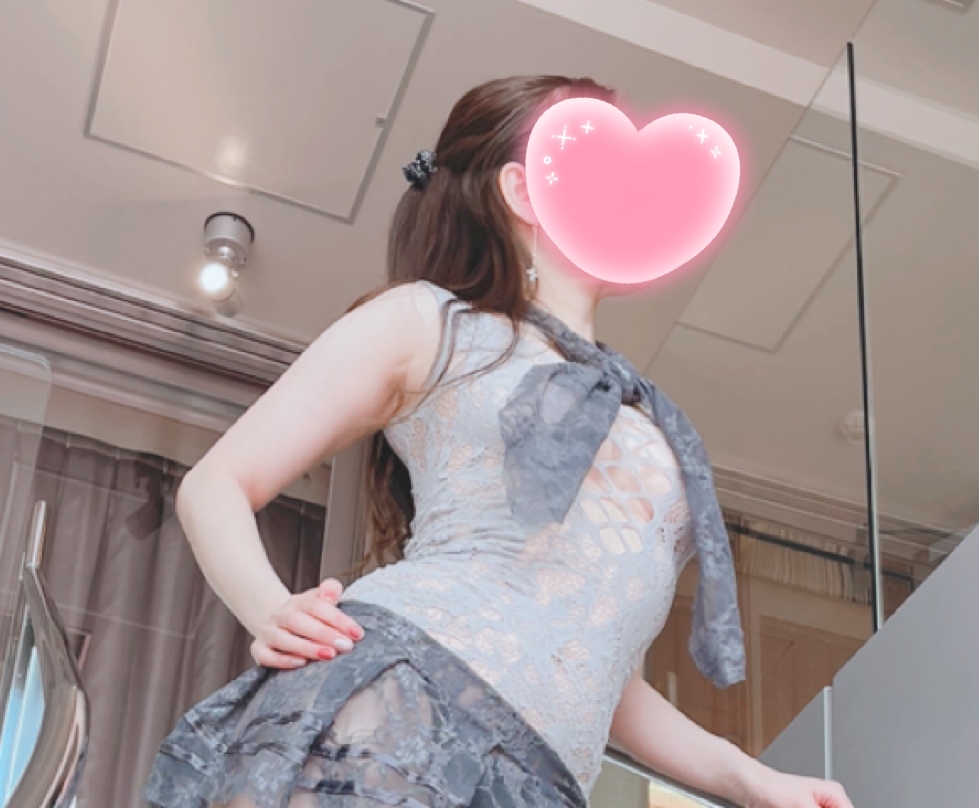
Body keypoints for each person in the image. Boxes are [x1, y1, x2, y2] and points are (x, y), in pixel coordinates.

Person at [144, 75, 854, 808]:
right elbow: (216, 483)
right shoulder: (430, 322)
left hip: (542, 777)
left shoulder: (642, 410)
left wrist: (752, 779)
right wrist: (271, 609)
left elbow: (600, 666)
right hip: (407, 695)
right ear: (524, 189)